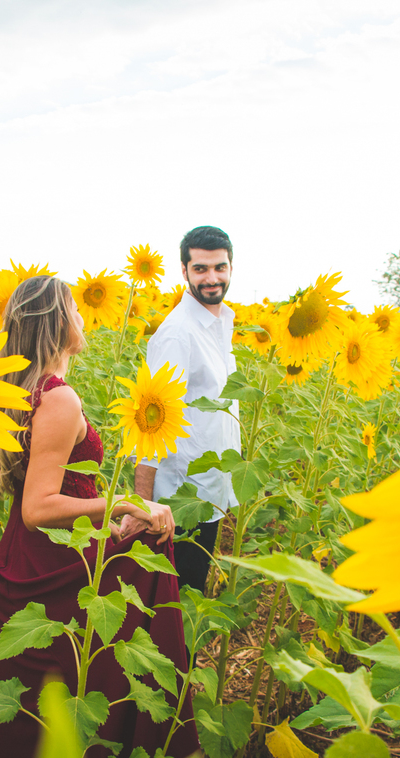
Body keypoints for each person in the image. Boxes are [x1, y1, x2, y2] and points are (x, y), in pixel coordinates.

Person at [0, 275, 199, 758]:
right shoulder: (58, 399)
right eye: (76, 308)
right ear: (59, 322)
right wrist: (129, 505)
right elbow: (38, 508)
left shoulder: (22, 389)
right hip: (51, 561)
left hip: (33, 556)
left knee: (40, 701)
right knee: (76, 692)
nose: (84, 317)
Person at [126, 226, 241, 594]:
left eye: (219, 268)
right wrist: (142, 504)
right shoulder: (178, 332)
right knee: (174, 603)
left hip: (209, 492)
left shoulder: (220, 323)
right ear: (184, 271)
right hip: (180, 499)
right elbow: (151, 418)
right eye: (201, 269)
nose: (212, 278)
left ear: (231, 267)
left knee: (187, 599)